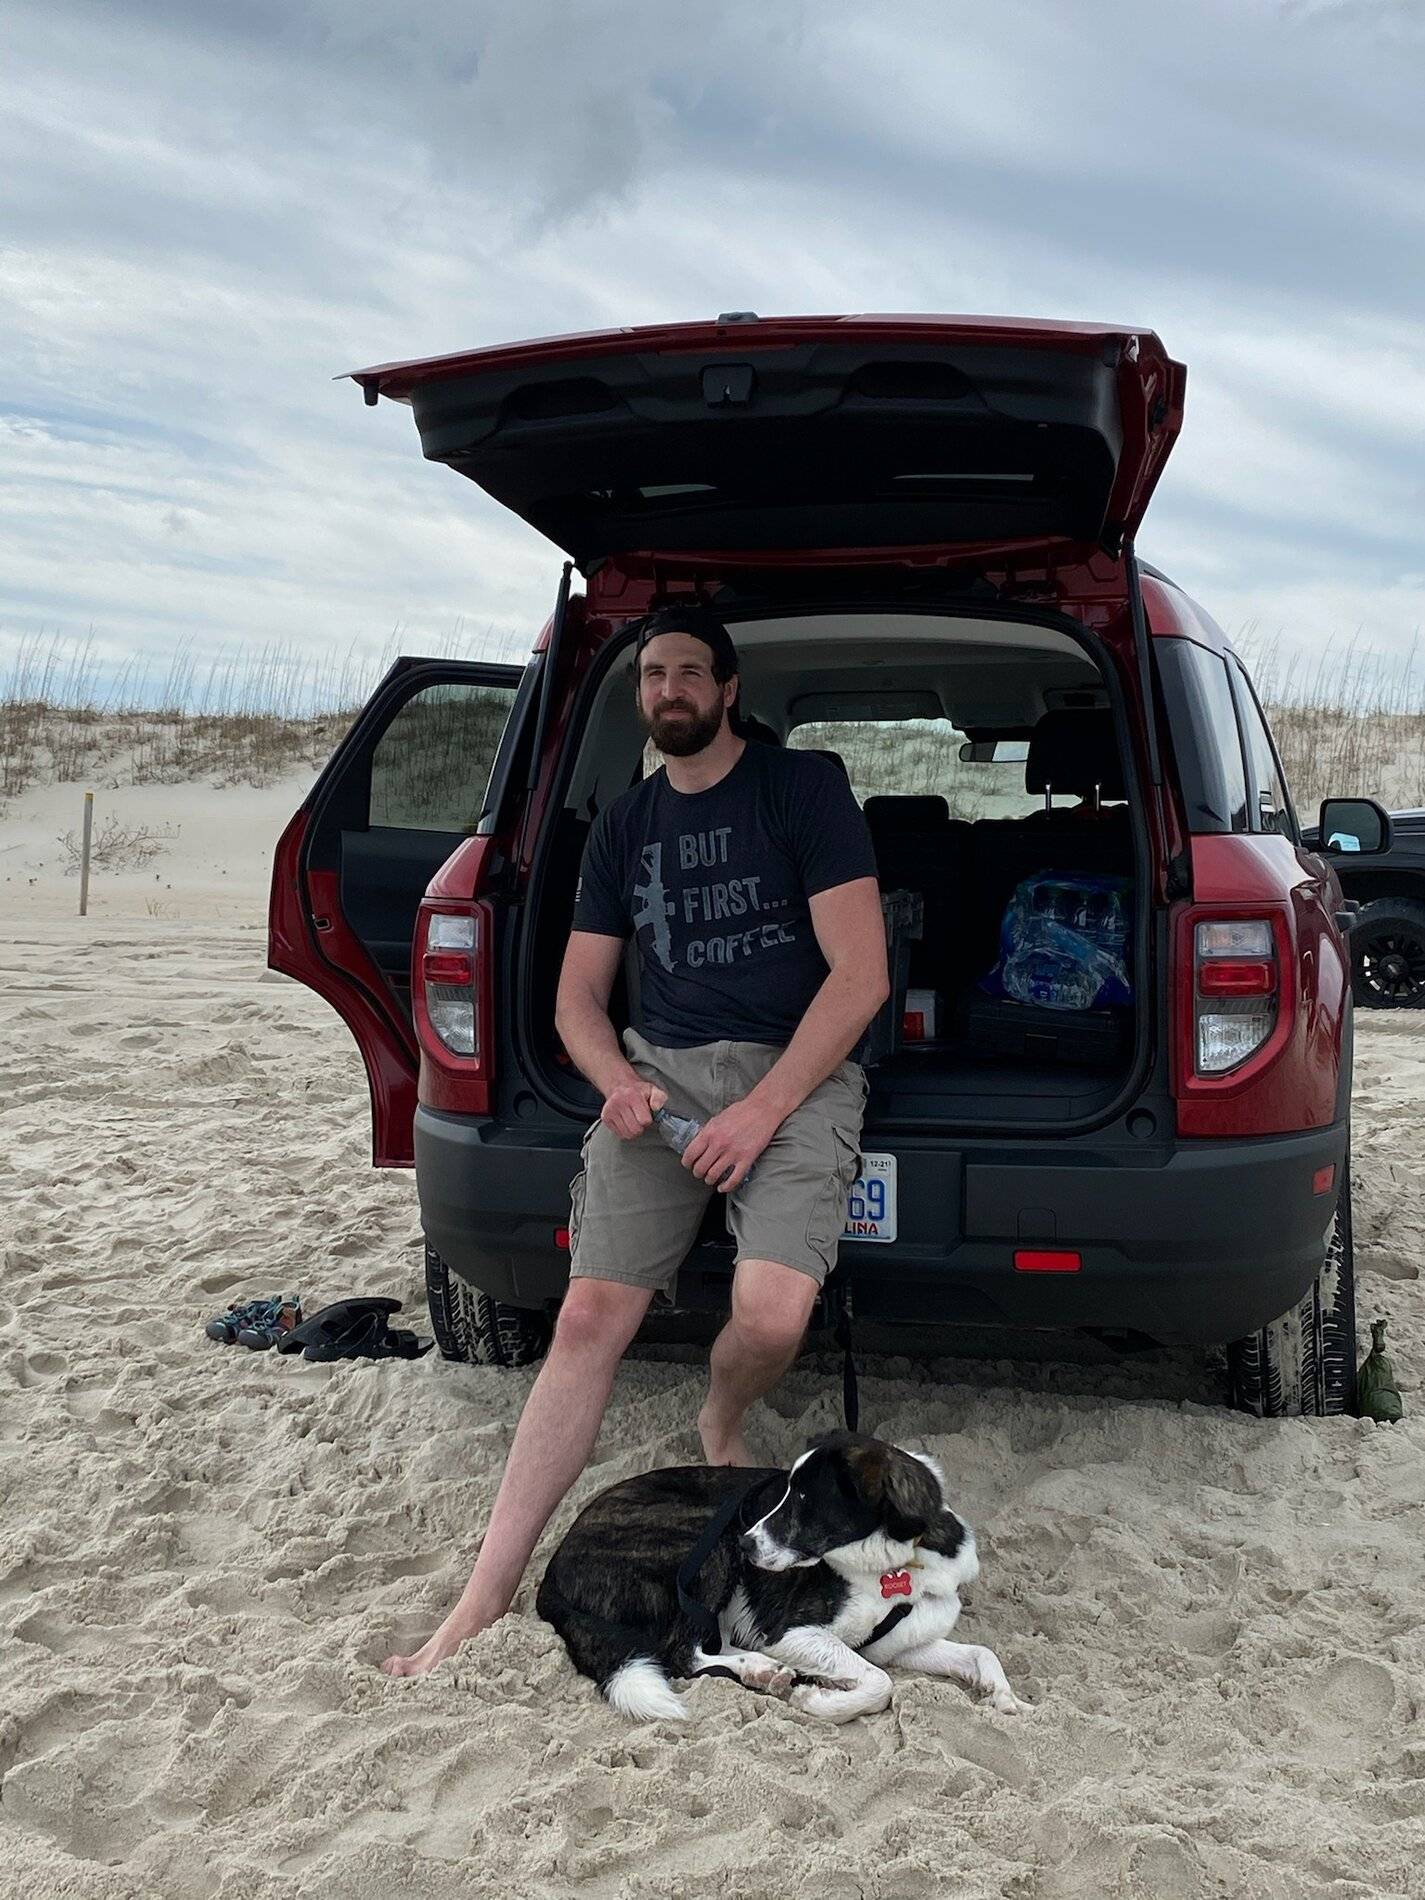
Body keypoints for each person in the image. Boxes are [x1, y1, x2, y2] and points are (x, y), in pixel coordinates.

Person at [382, 605, 889, 1678]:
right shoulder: (624, 823)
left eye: (689, 672)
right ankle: (481, 1596)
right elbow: (576, 998)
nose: (669, 690)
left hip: (795, 1073)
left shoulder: (803, 791)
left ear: (728, 689)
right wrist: (616, 1084)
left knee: (771, 1312)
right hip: (657, 1082)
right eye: (654, 674)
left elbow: (861, 977)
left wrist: (761, 1111)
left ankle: (721, 1410)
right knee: (583, 1319)